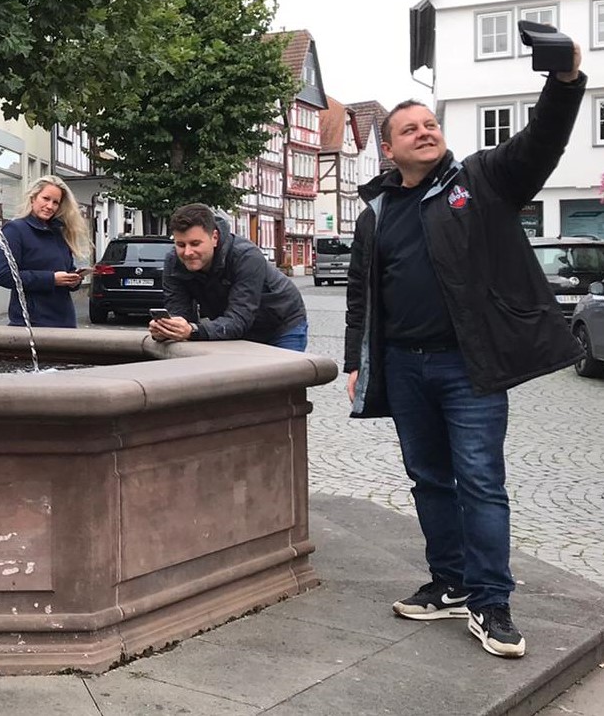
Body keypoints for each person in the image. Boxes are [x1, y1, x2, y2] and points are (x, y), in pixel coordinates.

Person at [344, 42, 586, 660]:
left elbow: (541, 142)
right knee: (428, 479)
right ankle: (449, 580)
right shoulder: (375, 211)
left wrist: (564, 80)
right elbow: (362, 295)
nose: (424, 132)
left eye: (430, 125)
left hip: (467, 365)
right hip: (403, 365)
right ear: (390, 149)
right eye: (409, 129)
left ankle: (490, 602)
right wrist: (355, 362)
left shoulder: (480, 179)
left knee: (479, 480)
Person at [150, 203, 308, 350]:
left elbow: (239, 319)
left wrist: (193, 330)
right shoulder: (174, 261)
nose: (188, 252)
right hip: (235, 325)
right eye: (181, 245)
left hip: (281, 324)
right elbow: (179, 312)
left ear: (214, 238)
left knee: (281, 377)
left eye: (195, 243)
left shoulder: (246, 256)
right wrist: (169, 329)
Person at [0, 175, 92, 327]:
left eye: (55, 202)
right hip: (31, 323)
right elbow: (5, 276)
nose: (50, 206)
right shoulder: (15, 229)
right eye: (45, 198)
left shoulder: (59, 232)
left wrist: (73, 280)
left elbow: (66, 269)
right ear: (33, 198)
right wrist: (51, 279)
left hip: (64, 321)